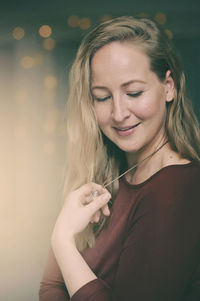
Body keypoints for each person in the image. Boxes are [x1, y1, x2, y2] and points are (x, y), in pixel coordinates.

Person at [39, 16, 200, 301]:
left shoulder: (180, 188)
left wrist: (62, 241)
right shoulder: (103, 180)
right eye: (102, 97)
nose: (118, 113)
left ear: (168, 87)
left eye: (133, 93)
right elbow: (50, 288)